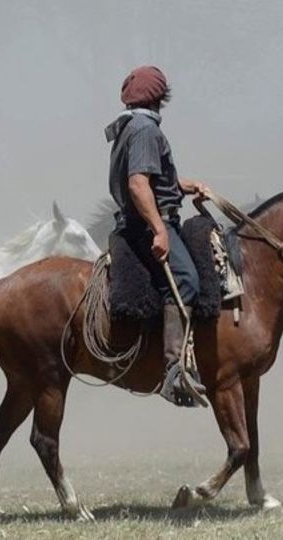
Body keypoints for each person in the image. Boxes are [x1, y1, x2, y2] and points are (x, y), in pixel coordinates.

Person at [104, 66, 210, 407]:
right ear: (161, 98)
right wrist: (161, 230)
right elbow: (137, 184)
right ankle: (174, 371)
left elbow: (147, 177)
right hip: (148, 224)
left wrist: (181, 184)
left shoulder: (130, 126)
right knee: (186, 281)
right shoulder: (146, 129)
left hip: (142, 220)